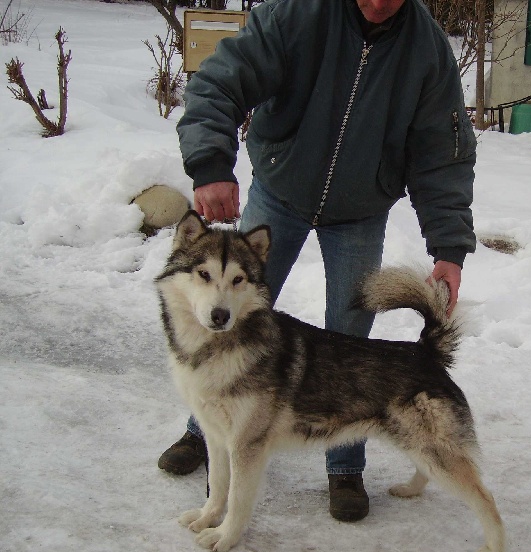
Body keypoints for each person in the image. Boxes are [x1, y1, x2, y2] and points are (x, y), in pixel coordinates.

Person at [159, 0, 477, 523]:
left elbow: (442, 150)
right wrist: (212, 163)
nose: (379, 4)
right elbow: (221, 80)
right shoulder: (297, 15)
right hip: (279, 192)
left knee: (352, 338)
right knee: (228, 315)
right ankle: (206, 430)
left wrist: (448, 248)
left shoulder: (426, 49)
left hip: (359, 210)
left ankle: (345, 465)